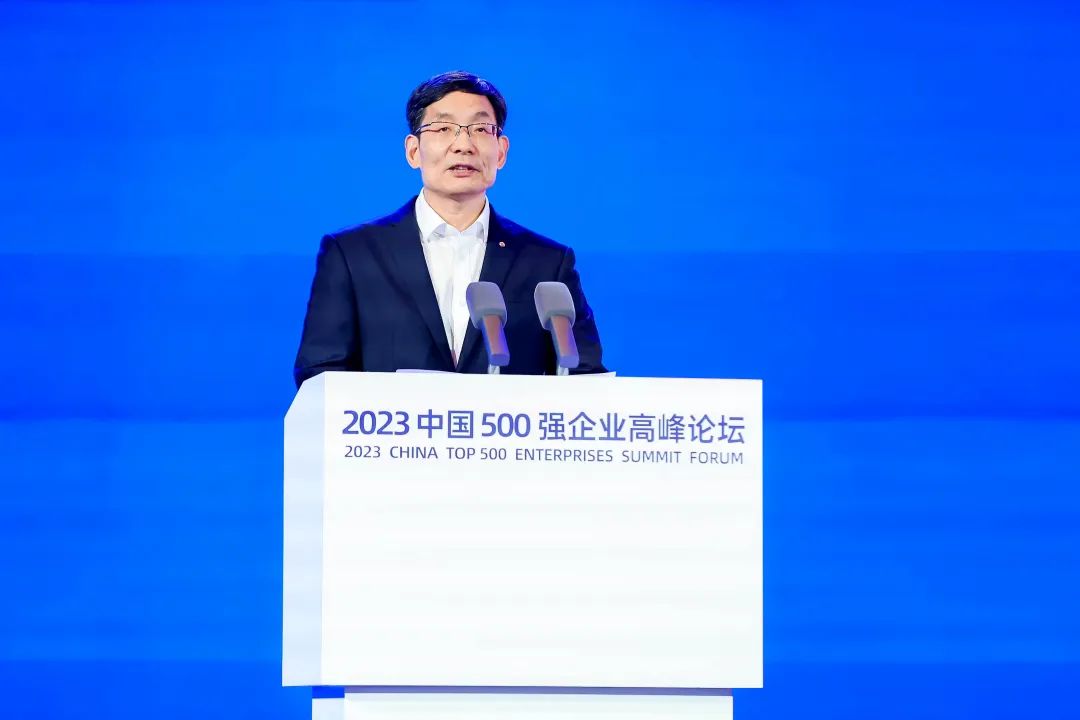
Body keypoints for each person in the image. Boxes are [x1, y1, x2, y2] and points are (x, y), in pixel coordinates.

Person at [293, 71, 606, 387]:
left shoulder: (547, 262)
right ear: (413, 151)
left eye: (480, 129)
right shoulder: (353, 254)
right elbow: (320, 374)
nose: (463, 145)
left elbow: (585, 379)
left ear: (501, 151)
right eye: (443, 128)